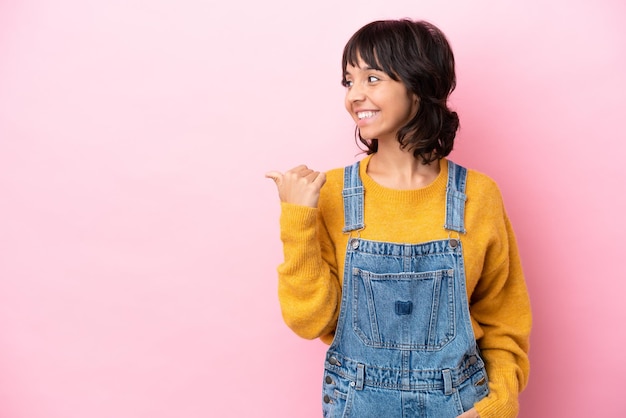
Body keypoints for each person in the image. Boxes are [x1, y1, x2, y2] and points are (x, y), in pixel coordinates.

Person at [265, 19, 531, 418]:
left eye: (372, 78)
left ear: (418, 86)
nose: (355, 95)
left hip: (461, 407)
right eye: (348, 81)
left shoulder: (478, 196)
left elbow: (504, 322)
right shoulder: (331, 193)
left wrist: (497, 406)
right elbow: (309, 321)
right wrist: (298, 220)